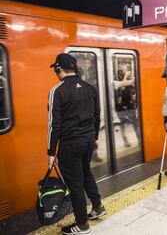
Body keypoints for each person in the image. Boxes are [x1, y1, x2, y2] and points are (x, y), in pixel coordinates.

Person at [47, 53, 106, 235]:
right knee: (86, 172)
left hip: (70, 145)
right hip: (88, 141)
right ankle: (97, 206)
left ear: (59, 69)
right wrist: (94, 138)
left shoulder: (57, 90)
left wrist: (51, 152)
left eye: (55, 69)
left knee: (75, 184)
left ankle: (81, 224)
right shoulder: (91, 87)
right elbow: (97, 115)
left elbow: (54, 125)